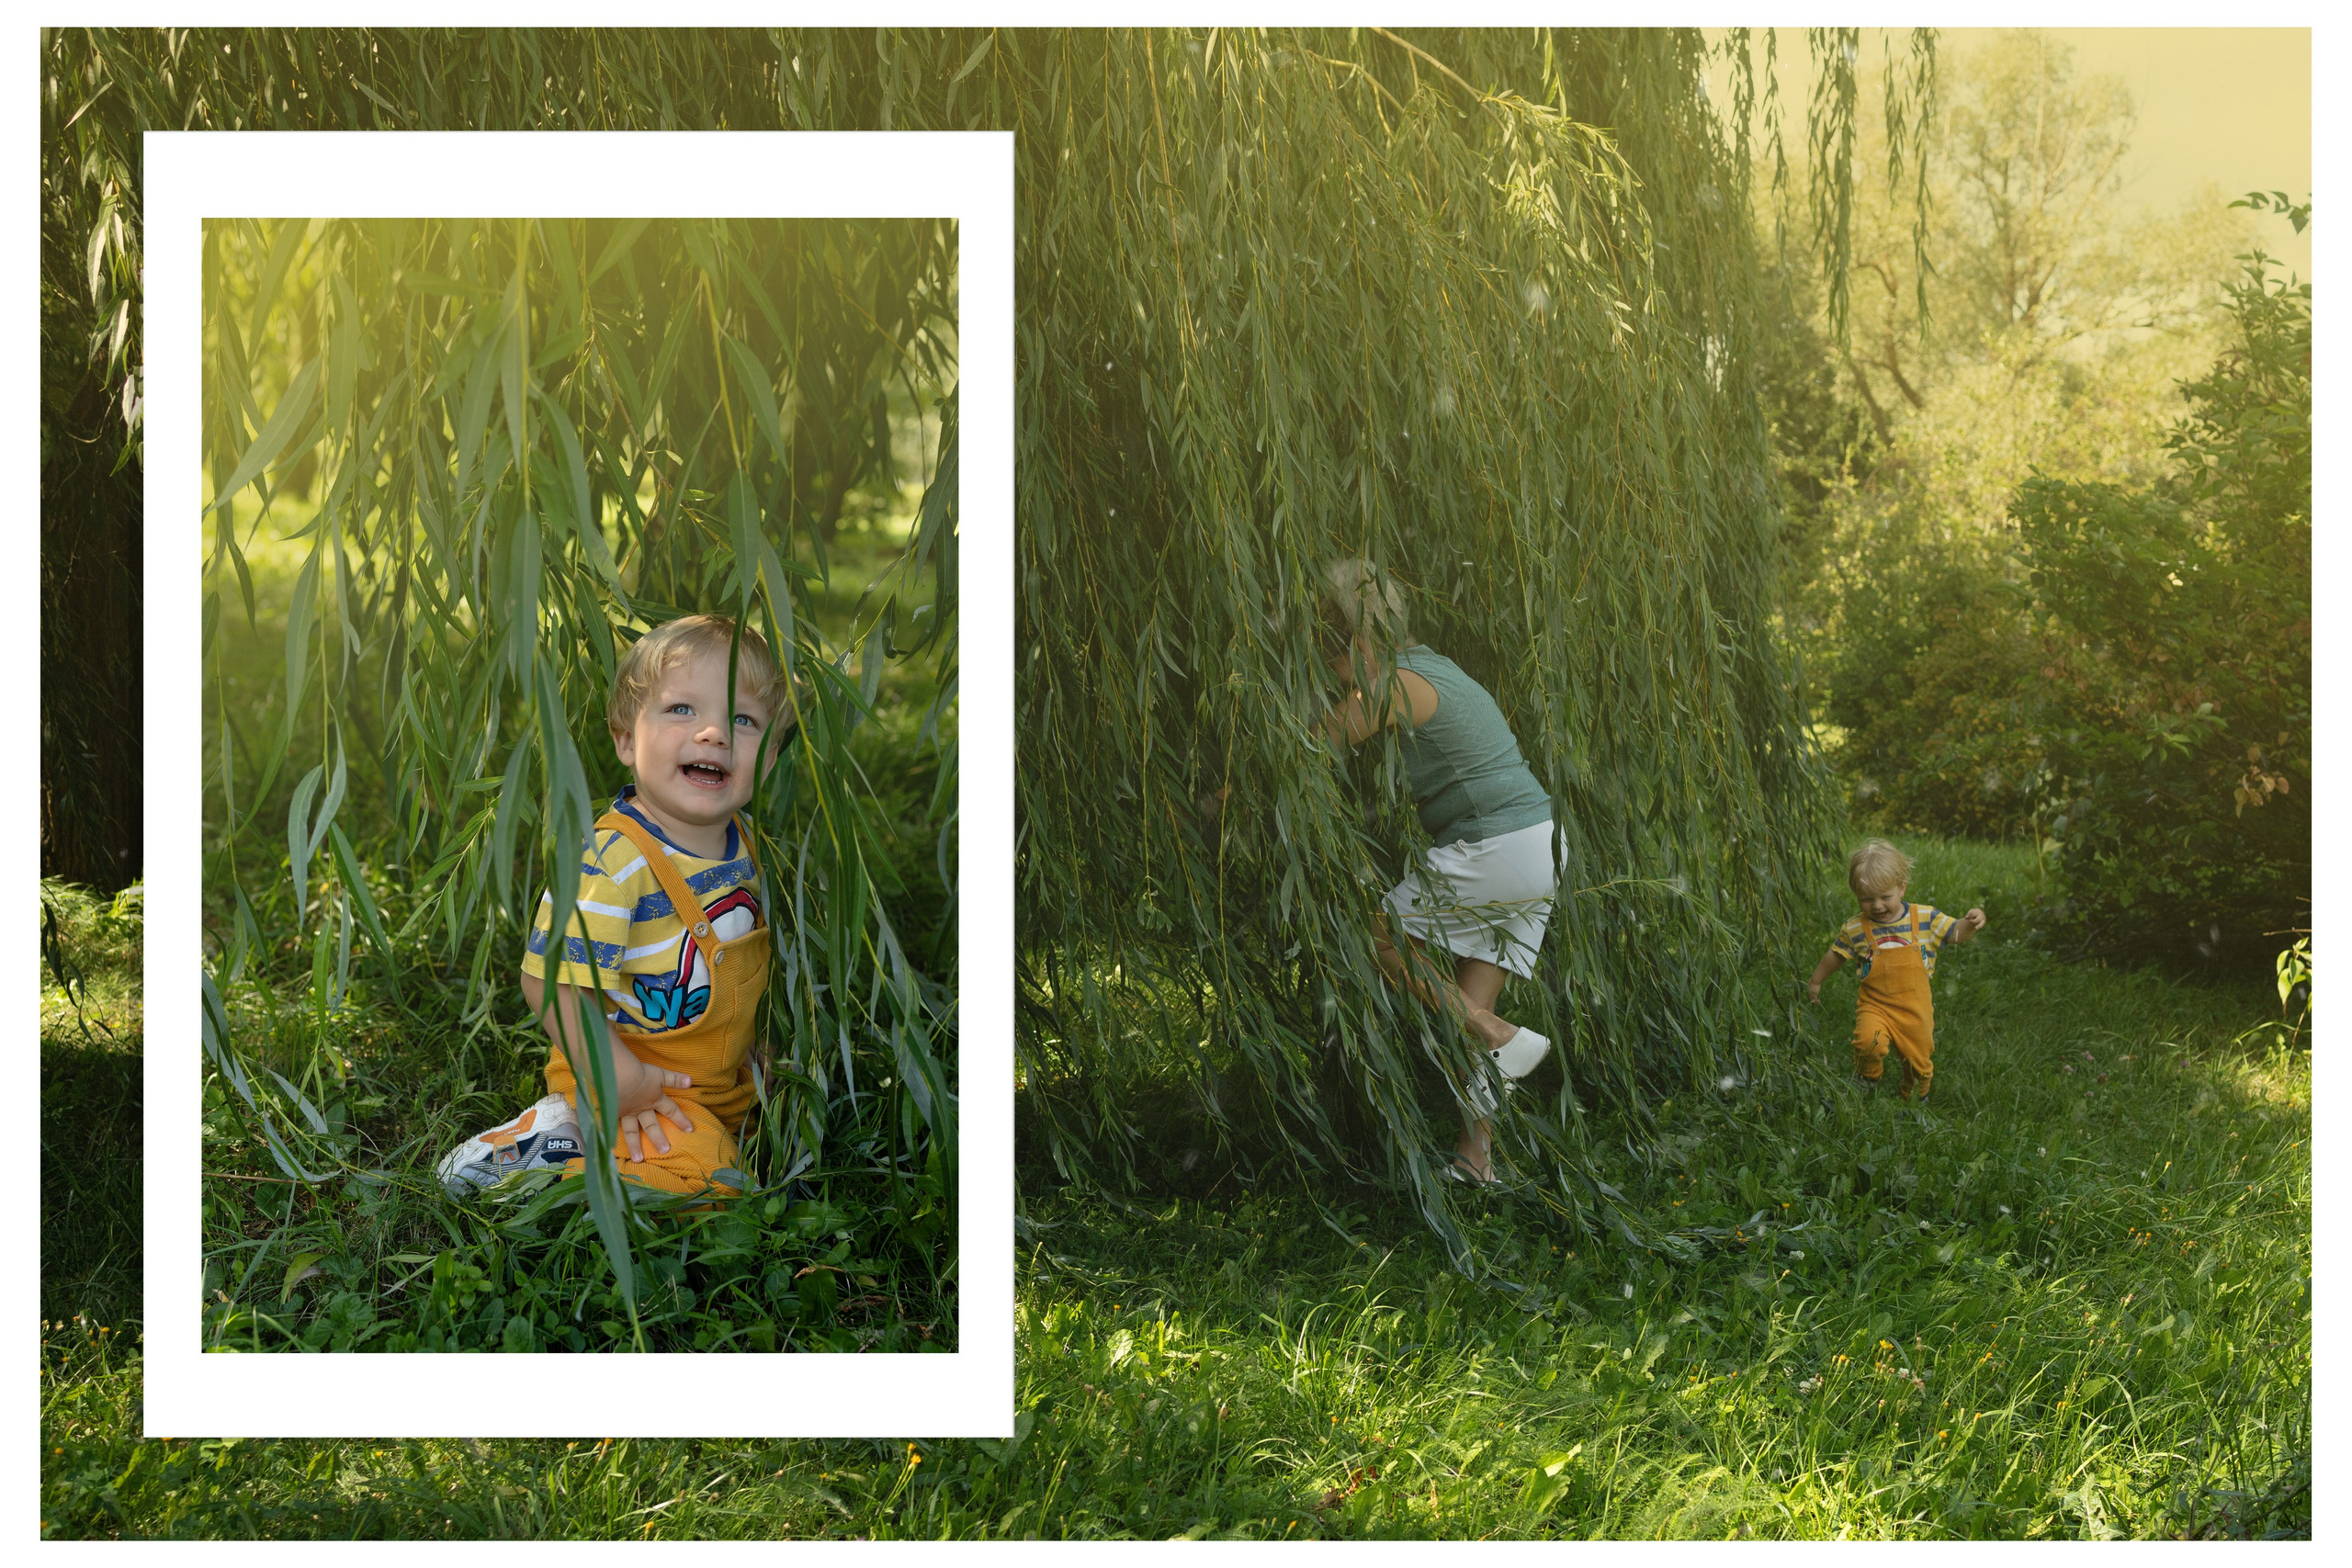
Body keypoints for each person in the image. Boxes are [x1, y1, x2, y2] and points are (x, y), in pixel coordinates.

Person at [436, 615, 794, 1199]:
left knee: (775, 1125)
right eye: (683, 709)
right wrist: (620, 1079)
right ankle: (555, 1144)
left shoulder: (747, 845)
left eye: (744, 720)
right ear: (627, 739)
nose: (714, 734)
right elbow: (551, 981)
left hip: (716, 1075)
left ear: (770, 756)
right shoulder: (613, 861)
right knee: (717, 1188)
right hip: (630, 1073)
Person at [1310, 558, 1562, 1182]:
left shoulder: (1396, 682)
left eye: (1335, 663)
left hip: (1495, 844)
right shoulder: (1439, 668)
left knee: (1376, 936)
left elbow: (1309, 747)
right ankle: (1476, 1161)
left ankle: (1494, 1027)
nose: (1340, 681)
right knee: (1459, 1009)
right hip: (1539, 844)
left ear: (1362, 642)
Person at [1806, 838, 1986, 1100]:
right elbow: (1836, 955)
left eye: (1885, 897)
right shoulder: (1856, 928)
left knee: (1918, 1057)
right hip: (1875, 1004)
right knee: (1868, 1041)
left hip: (1915, 1008)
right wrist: (1816, 980)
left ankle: (1914, 1096)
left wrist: (1971, 922)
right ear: (1856, 894)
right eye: (1867, 899)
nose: (1877, 906)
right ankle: (1867, 1078)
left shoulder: (1925, 918)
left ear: (1902, 888)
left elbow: (1955, 933)